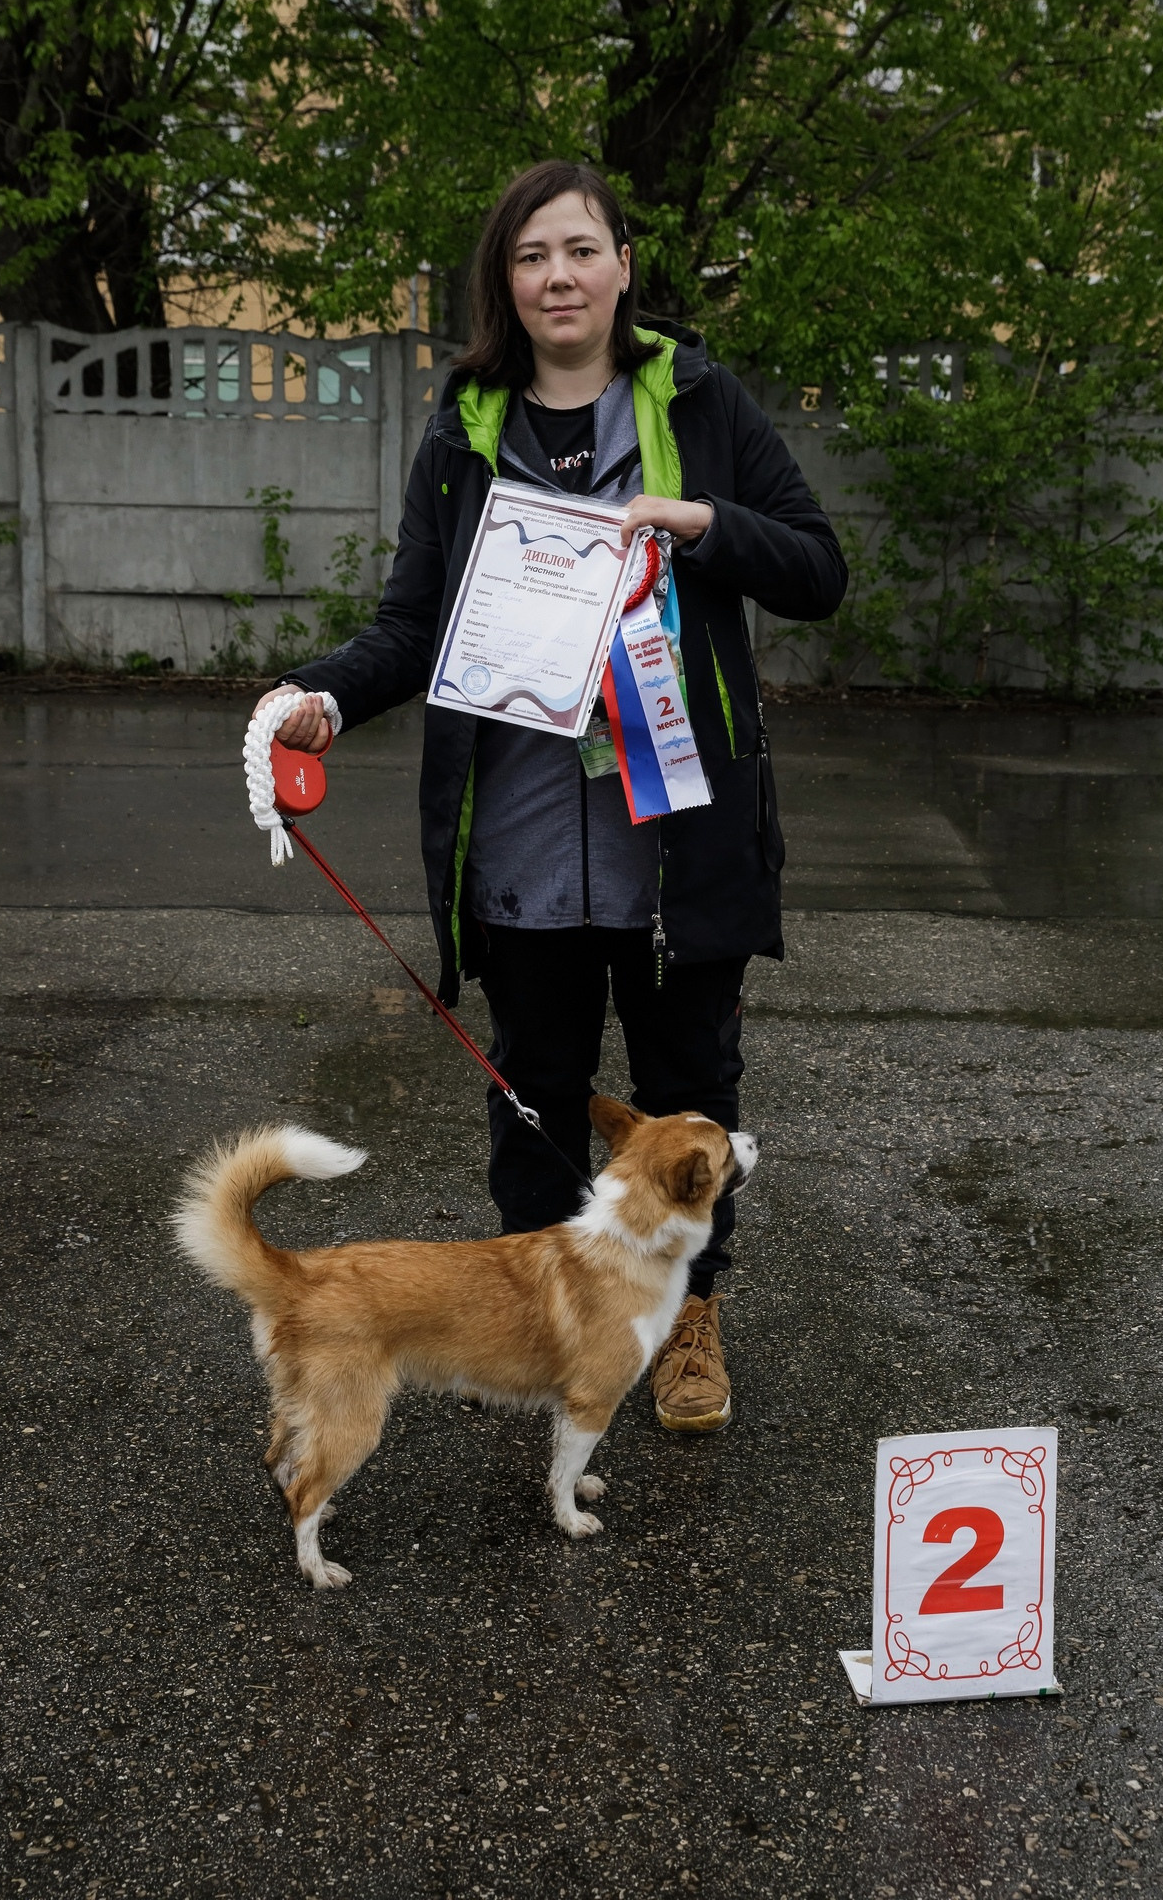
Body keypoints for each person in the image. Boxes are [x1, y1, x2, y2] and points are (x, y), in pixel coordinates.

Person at [256, 159, 846, 1431]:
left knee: (693, 1087)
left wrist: (700, 524)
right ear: (504, 285)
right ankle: (534, 1330)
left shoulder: (700, 398)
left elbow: (817, 568)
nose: (557, 276)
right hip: (523, 839)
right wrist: (320, 700)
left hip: (679, 839)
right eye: (530, 258)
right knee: (536, 1095)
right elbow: (411, 624)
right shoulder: (461, 428)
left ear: (624, 265)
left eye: (580, 250)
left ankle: (689, 1324)